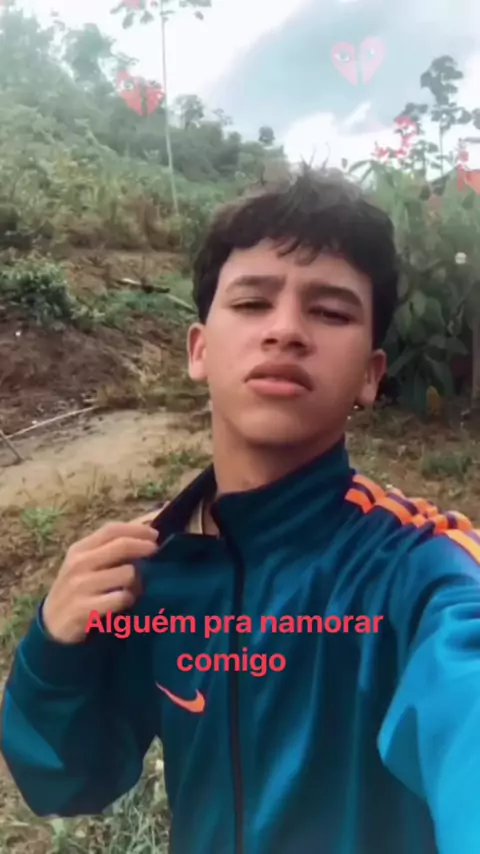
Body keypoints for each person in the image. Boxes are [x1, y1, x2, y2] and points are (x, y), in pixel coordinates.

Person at [1, 169, 479, 854]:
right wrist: (53, 651)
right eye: (253, 303)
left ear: (371, 375)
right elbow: (66, 782)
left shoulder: (419, 572)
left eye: (331, 312)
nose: (286, 330)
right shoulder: (148, 569)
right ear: (199, 350)